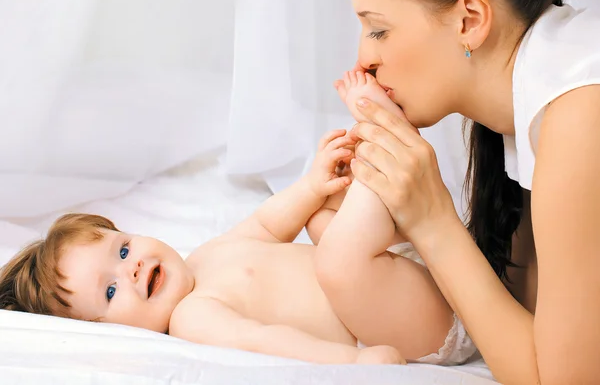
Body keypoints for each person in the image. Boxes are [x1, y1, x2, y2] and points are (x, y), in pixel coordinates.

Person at [0, 71, 477, 366]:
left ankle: (395, 186)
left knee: (321, 218)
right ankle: (386, 126)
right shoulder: (192, 318)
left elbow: (270, 225)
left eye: (123, 250)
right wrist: (353, 364)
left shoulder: (206, 257)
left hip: (400, 276)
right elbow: (267, 341)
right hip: (404, 323)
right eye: (110, 291)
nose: (133, 269)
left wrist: (314, 184)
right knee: (340, 250)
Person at [342, 0, 600, 384]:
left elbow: (561, 379)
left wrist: (432, 219)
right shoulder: (534, 97)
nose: (362, 60)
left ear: (470, 19)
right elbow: (537, 314)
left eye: (378, 29)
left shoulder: (579, 113)